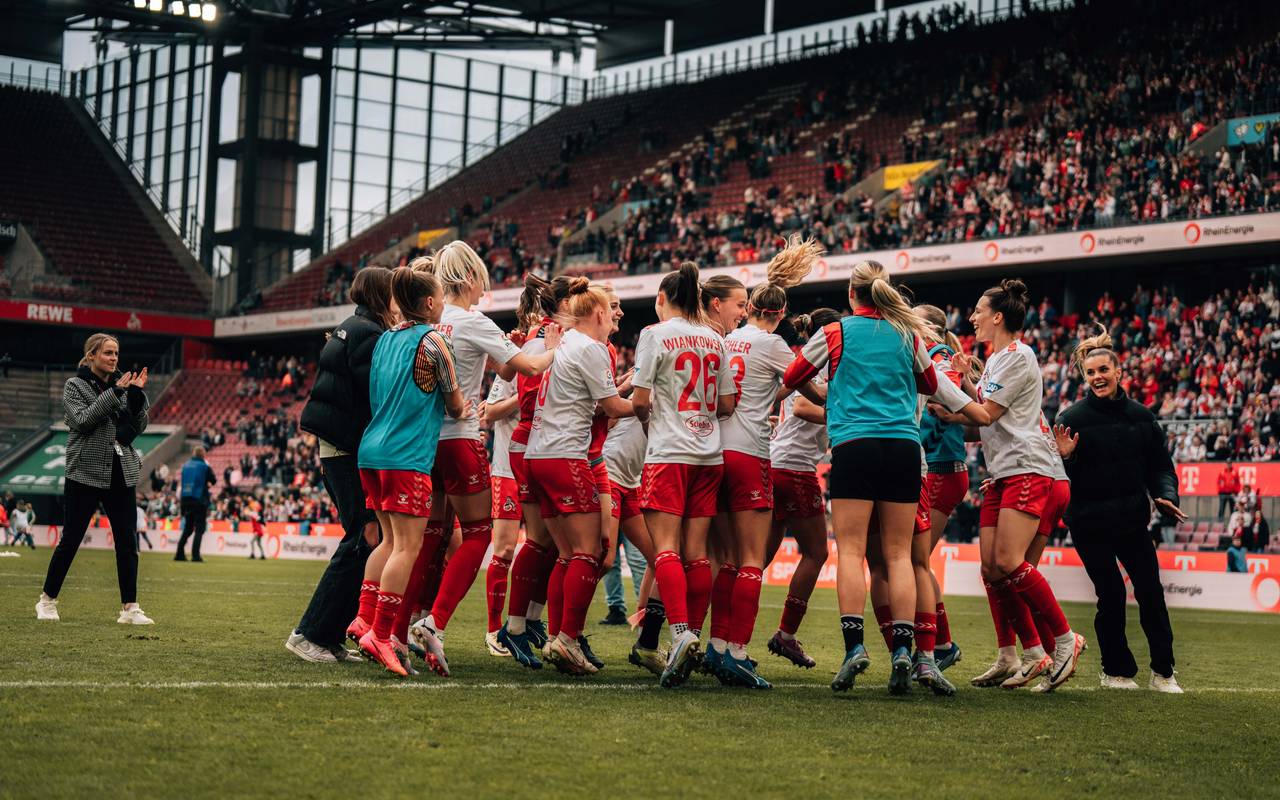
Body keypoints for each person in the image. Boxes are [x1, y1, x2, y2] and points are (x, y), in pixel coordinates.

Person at [407, 244, 558, 677]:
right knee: (477, 535)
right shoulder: (474, 321)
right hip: (460, 439)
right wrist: (553, 348)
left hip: (423, 442)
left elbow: (505, 371)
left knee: (431, 536)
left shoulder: (433, 323)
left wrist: (506, 352)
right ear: (470, 277)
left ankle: (403, 626)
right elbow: (528, 368)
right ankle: (434, 623)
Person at [935, 279, 1083, 693]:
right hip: (1000, 471)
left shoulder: (1020, 356)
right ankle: (1026, 654)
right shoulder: (996, 359)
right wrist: (957, 400)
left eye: (979, 311)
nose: (973, 317)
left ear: (998, 316)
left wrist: (942, 383)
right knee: (991, 568)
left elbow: (985, 415)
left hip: (1026, 467)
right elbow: (981, 419)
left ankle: (1065, 641)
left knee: (1010, 561)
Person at [708, 235, 821, 689]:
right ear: (778, 314)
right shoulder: (774, 345)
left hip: (715, 451)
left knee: (724, 559)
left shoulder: (728, 338)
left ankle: (716, 647)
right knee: (753, 560)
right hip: (752, 451)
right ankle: (736, 651)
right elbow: (807, 388)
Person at [349, 267, 466, 677]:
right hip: (406, 454)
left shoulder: (385, 339)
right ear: (431, 303)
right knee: (406, 548)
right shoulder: (436, 340)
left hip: (372, 450)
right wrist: (470, 410)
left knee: (387, 541)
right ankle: (381, 635)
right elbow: (454, 405)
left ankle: (363, 618)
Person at [1053, 328, 1184, 693]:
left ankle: (1164, 672)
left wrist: (1164, 493)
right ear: (1085, 377)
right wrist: (1067, 457)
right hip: (1089, 524)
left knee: (1151, 594)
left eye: (1103, 370)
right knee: (1109, 595)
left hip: (1131, 522)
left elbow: (1161, 466)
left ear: (1118, 372)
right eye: (1090, 372)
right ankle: (1116, 671)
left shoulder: (1142, 418)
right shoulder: (1070, 419)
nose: (1097, 377)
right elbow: (1060, 477)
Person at [631, 262, 737, 688]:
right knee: (697, 554)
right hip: (709, 456)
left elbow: (639, 400)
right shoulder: (715, 337)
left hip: (669, 453)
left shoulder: (654, 335)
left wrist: (650, 422)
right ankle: (690, 627)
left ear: (661, 299)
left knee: (666, 551)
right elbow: (728, 404)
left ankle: (680, 635)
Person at [524, 279, 633, 674]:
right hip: (565, 456)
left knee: (568, 555)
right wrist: (649, 398)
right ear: (599, 313)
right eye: (612, 312)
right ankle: (568, 638)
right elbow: (613, 407)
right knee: (591, 552)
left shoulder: (566, 340)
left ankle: (558, 637)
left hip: (538, 456)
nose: (614, 320)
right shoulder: (589, 347)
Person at [288, 265, 395, 664]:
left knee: (366, 538)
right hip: (349, 449)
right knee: (363, 537)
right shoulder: (369, 334)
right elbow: (374, 394)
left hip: (337, 446)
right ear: (383, 295)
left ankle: (328, 635)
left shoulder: (352, 327)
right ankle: (310, 634)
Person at [36, 332, 153, 625]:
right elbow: (83, 420)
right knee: (72, 538)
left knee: (127, 541)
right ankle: (47, 601)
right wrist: (114, 394)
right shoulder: (75, 386)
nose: (114, 358)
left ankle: (130, 608)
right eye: (107, 353)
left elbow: (136, 427)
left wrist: (137, 400)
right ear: (91, 356)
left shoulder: (123, 388)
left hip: (120, 469)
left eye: (116, 353)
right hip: (84, 471)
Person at [764, 308, 843, 670]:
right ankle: (785, 634)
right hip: (794, 466)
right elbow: (799, 405)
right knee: (817, 553)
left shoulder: (806, 358)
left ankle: (722, 639)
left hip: (778, 462)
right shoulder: (825, 360)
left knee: (755, 560)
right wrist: (847, 413)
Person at [174, 446, 216, 562]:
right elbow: (213, 480)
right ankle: (195, 555)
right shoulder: (204, 466)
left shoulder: (185, 465)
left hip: (186, 499)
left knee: (188, 528)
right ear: (203, 454)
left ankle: (179, 553)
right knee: (199, 528)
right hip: (199, 500)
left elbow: (183, 483)